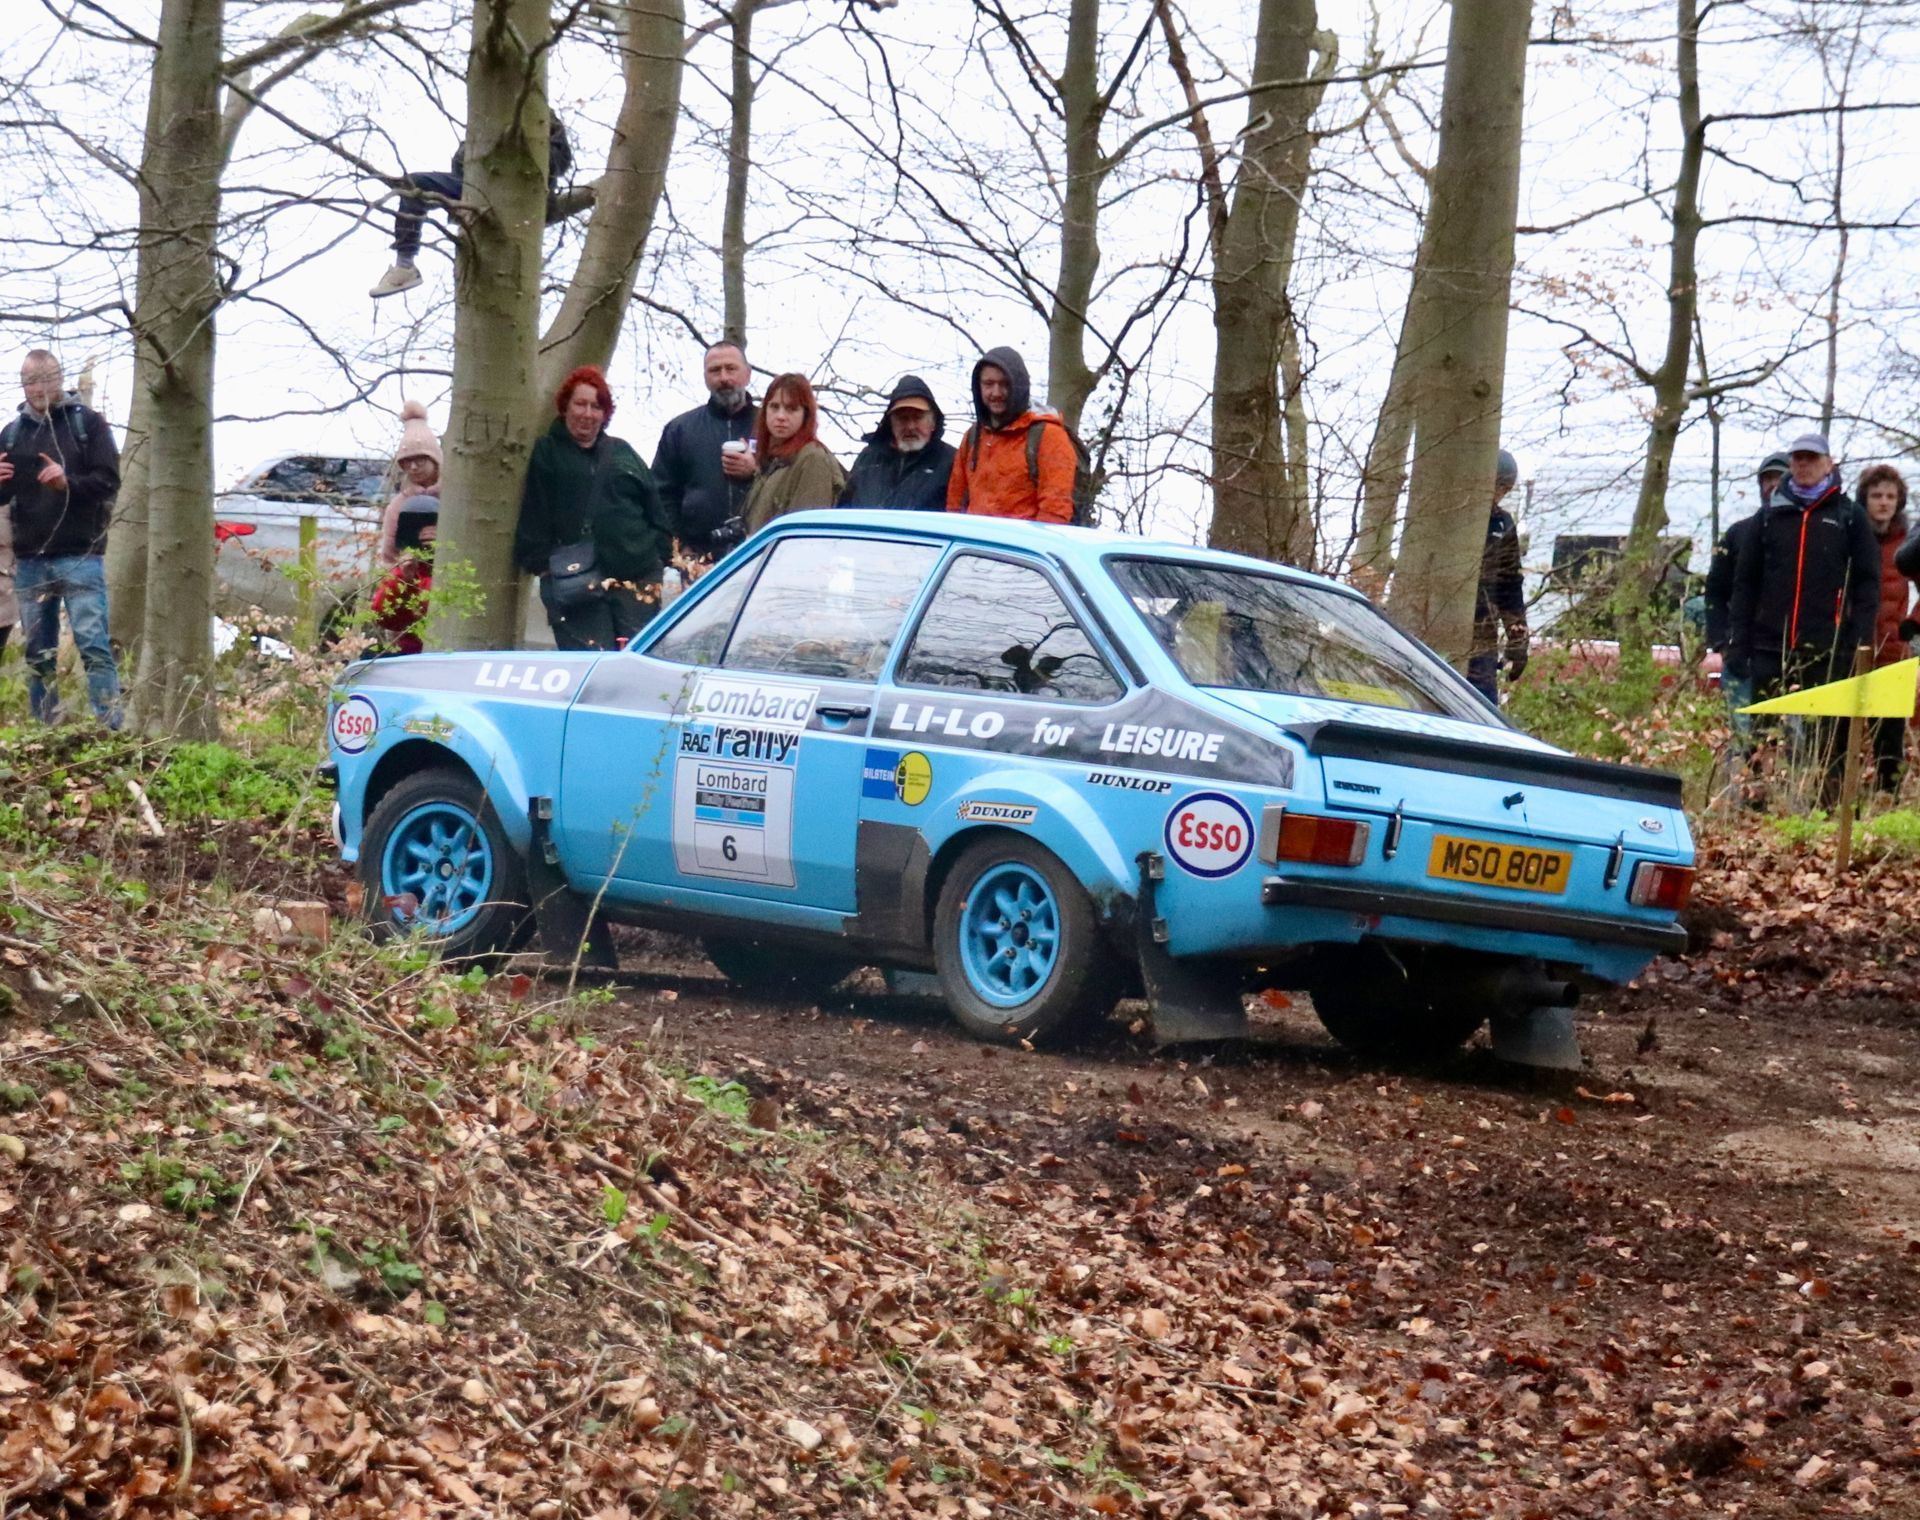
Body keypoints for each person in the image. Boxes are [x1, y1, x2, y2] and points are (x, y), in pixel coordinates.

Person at [1726, 431, 1878, 796]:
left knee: (1827, 735)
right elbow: (1744, 584)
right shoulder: (1769, 516)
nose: (1804, 465)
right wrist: (1738, 642)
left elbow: (1867, 584)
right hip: (1769, 644)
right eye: (1798, 459)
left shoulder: (1849, 516)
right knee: (1761, 734)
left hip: (1827, 649)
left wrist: (1859, 640)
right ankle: (1755, 802)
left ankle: (1826, 804)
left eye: (1812, 458)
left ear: (1829, 464)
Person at [513, 365, 674, 650]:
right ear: (565, 406)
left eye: (596, 407)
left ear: (605, 413)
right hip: (576, 584)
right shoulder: (548, 452)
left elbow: (655, 509)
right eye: (581, 404)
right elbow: (534, 514)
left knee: (637, 663)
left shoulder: (623, 452)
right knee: (591, 666)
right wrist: (543, 566)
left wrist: (657, 556)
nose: (588, 414)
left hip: (636, 578)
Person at [0, 350, 122, 727]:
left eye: (45, 379)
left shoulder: (88, 424)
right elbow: (4, 500)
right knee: (38, 652)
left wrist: (65, 482)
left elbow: (108, 482)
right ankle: (46, 729)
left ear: (60, 379)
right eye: (30, 381)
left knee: (93, 645)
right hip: (31, 558)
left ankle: (111, 727)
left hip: (81, 554)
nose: (38, 388)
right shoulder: (12, 433)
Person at [371, 117, 574, 299]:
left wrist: (520, 153)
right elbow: (461, 161)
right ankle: (405, 266)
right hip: (476, 189)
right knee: (414, 184)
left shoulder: (540, 113)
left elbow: (561, 159)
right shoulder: (485, 115)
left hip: (522, 195)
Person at [1703, 451, 1788, 753]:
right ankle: (1741, 799)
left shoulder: (1805, 537)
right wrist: (1722, 642)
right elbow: (1714, 592)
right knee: (1743, 744)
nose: (1772, 484)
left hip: (1789, 659)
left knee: (1790, 746)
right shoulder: (1739, 533)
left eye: (1779, 477)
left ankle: (1785, 800)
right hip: (1742, 658)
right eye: (1767, 479)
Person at [945, 346, 1076, 522]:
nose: (996, 393)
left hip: (1021, 546)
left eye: (1005, 384)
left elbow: (1055, 511)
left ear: (1018, 385)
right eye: (988, 384)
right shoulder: (973, 437)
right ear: (979, 387)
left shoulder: (1048, 435)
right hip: (974, 546)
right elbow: (954, 506)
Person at [652, 342, 757, 560]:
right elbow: (661, 495)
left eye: (731, 368)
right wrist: (678, 546)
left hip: (759, 552)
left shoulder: (771, 426)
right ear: (705, 377)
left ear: (747, 374)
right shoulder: (680, 430)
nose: (724, 378)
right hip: (699, 558)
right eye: (715, 370)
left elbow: (792, 480)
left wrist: (756, 470)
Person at [1858, 463, 1914, 790]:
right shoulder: (1853, 536)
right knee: (1841, 733)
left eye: (1890, 496)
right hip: (1854, 650)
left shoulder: (1909, 543)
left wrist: (1913, 623)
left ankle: (1887, 798)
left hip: (1894, 651)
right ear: (1865, 498)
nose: (1883, 502)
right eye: (1876, 495)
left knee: (1889, 739)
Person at [740, 373, 846, 533]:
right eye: (774, 407)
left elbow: (806, 534)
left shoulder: (813, 459)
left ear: (806, 414)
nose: (781, 416)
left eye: (791, 408)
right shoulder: (771, 460)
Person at [1465, 449, 1528, 706]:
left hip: (1482, 639)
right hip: (1443, 630)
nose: (1499, 495)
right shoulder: (1455, 518)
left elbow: (1510, 586)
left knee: (1482, 707)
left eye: (1505, 490)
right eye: (1498, 487)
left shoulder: (1503, 524)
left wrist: (1518, 638)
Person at [839, 375, 956, 511]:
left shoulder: (951, 463)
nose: (910, 426)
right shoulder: (868, 459)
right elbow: (843, 509)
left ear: (933, 422)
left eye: (918, 418)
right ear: (891, 423)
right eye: (902, 419)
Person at [378, 399, 443, 565]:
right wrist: (404, 567)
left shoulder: (455, 498)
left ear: (434, 459)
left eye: (419, 460)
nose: (413, 467)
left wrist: (443, 539)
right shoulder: (398, 505)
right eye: (407, 462)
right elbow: (389, 557)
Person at [371, 500, 436, 655]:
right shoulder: (407, 571)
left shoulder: (457, 570)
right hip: (412, 653)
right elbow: (385, 618)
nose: (426, 539)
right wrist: (406, 581)